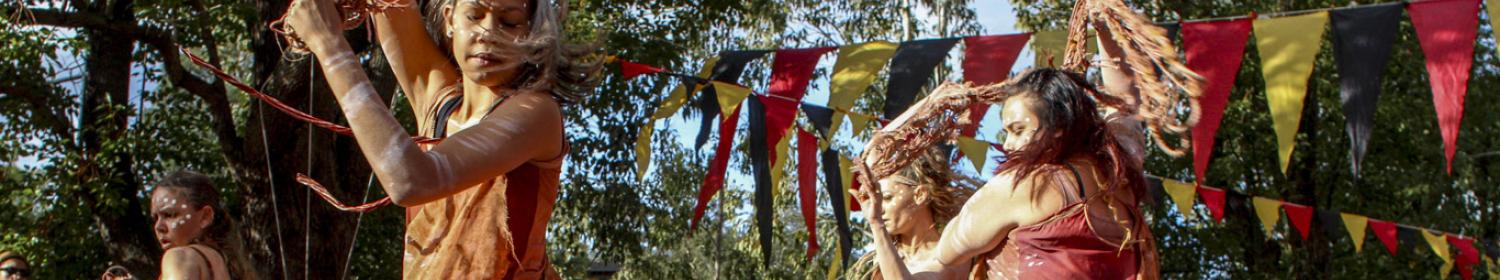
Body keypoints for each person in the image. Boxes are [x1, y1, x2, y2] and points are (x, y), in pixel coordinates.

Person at [282, 0, 597, 277]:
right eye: (474, 15)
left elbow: (410, 181)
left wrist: (328, 42)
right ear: (449, 19)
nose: (488, 33)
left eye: (510, 22)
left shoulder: (537, 114)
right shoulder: (440, 103)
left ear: (532, 37)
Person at [853, 21, 1162, 279]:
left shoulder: (1022, 188)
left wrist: (878, 226)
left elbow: (942, 261)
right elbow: (1126, 102)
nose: (1009, 144)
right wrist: (1104, 24)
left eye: (1018, 130)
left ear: (1057, 126)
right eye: (1006, 133)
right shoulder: (1118, 170)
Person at [848, 147, 976, 279]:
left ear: (920, 195)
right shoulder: (882, 259)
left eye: (887, 198)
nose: (878, 209)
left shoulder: (952, 254)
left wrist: (877, 224)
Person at [149, 170, 258, 280]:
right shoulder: (228, 265)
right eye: (155, 218)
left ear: (205, 216)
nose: (158, 227)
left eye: (169, 215)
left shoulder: (179, 256)